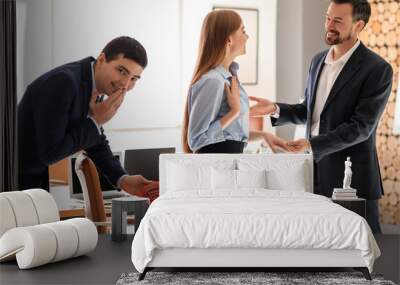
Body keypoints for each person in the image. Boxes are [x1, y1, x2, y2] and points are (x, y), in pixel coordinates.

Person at [249, 0, 393, 233]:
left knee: (364, 257)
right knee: (319, 246)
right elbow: (310, 112)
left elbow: (361, 127)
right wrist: (275, 109)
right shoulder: (318, 61)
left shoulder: (378, 69)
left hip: (353, 179)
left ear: (358, 25)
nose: (328, 25)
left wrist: (310, 144)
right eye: (327, 17)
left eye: (337, 20)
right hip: (313, 173)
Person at [18, 36, 152, 195]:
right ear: (102, 59)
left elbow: (95, 139)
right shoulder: (63, 82)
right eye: (121, 71)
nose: (125, 84)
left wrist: (123, 179)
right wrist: (95, 121)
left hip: (30, 185)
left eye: (134, 79)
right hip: (12, 185)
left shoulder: (92, 83)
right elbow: (50, 153)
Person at [182, 10, 288, 154]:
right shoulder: (213, 81)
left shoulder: (230, 77)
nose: (247, 36)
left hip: (229, 164)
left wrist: (263, 135)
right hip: (216, 168)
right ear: (229, 40)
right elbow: (196, 140)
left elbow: (231, 135)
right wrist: (234, 112)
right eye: (243, 31)